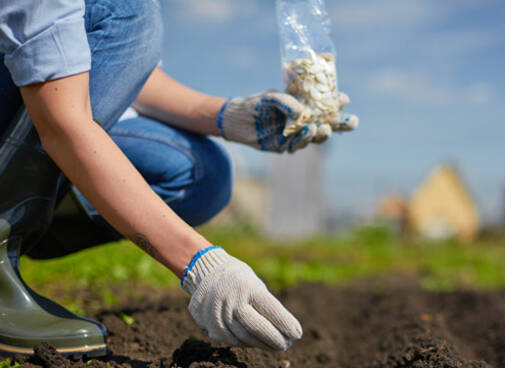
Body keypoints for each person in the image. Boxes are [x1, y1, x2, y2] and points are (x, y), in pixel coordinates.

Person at [0, 0, 358, 357]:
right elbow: (61, 121)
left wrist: (229, 118)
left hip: (48, 107)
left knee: (203, 173)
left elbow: (122, 66)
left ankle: (25, 228)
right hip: (53, 114)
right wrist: (201, 265)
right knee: (128, 11)